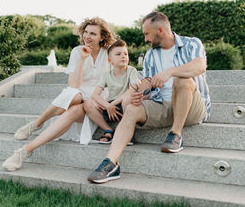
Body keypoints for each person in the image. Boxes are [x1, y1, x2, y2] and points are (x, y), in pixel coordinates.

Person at [88, 11, 211, 183]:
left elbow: (200, 66)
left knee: (182, 81)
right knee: (131, 108)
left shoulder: (192, 43)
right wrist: (141, 93)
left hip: (191, 107)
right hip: (161, 105)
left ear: (160, 30)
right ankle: (111, 163)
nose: (145, 39)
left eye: (147, 34)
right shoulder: (151, 55)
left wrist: (170, 72)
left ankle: (175, 134)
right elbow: (147, 79)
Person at [3, 17, 116, 172]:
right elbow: (73, 86)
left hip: (95, 105)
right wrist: (82, 59)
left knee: (77, 100)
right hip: (76, 101)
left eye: (93, 34)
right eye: (86, 32)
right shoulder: (77, 52)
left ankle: (36, 124)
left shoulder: (108, 54)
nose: (87, 37)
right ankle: (24, 150)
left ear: (102, 37)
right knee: (75, 98)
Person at [84, 39, 139, 144]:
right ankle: (108, 129)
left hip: (124, 105)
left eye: (125, 54)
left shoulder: (131, 71)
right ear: (110, 61)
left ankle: (125, 132)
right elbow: (95, 95)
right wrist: (107, 106)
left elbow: (132, 91)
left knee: (128, 100)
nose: (123, 56)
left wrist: (111, 105)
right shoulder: (106, 75)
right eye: (118, 54)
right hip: (109, 107)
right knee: (87, 103)